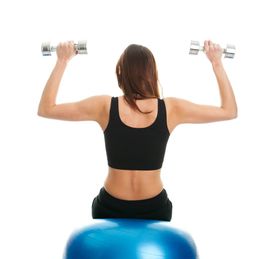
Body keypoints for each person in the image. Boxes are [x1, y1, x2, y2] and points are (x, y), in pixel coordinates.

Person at [38, 40, 237, 222]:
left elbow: (46, 108)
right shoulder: (170, 108)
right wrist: (216, 63)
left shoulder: (105, 106)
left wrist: (63, 61)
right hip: (135, 207)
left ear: (120, 72)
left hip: (126, 206)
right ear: (153, 74)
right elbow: (228, 111)